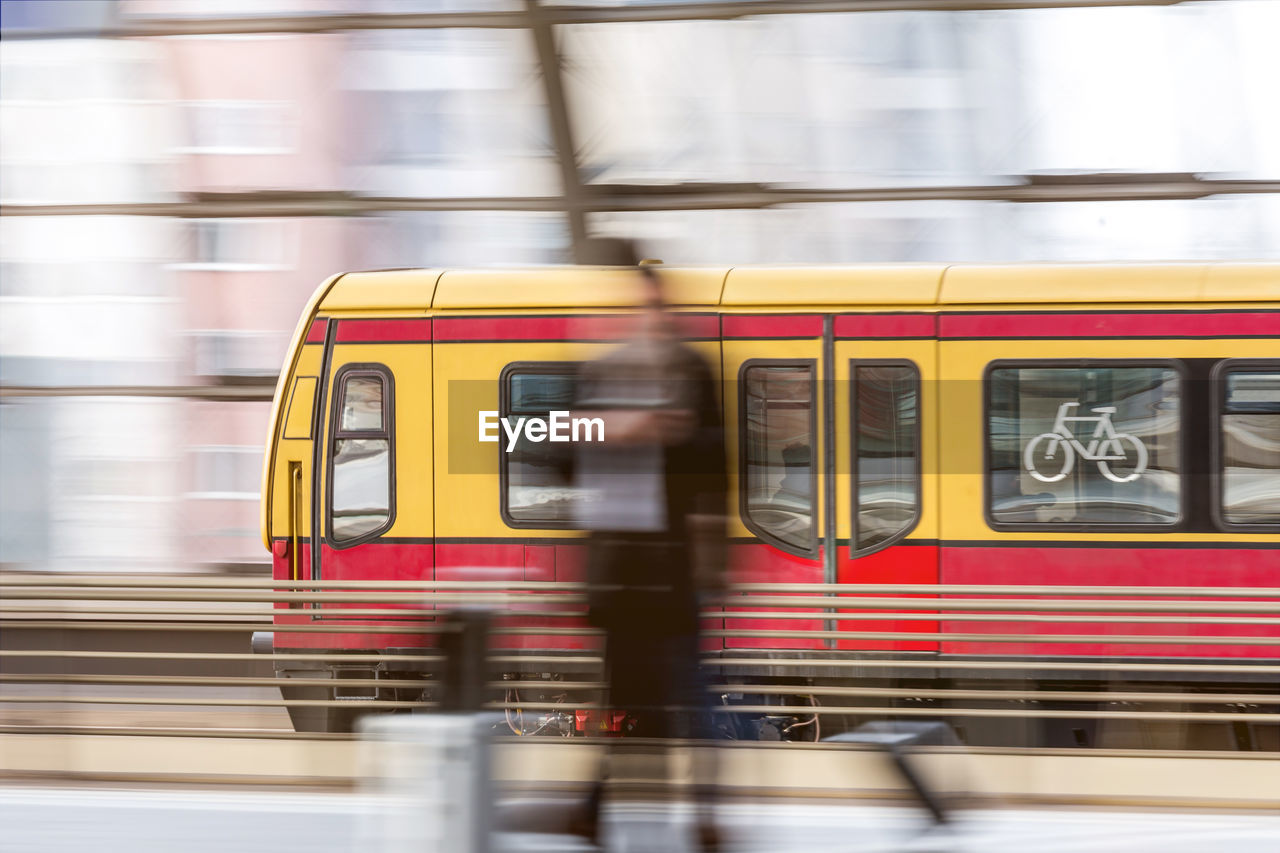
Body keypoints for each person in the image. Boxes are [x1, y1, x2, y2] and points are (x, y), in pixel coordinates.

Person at [570, 242, 726, 851]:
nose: (652, 319)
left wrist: (679, 434)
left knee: (688, 699)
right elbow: (522, 436)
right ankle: (600, 807)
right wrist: (613, 427)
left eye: (661, 309)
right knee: (626, 705)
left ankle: (694, 813)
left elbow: (718, 467)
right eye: (642, 308)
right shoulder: (599, 373)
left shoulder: (692, 374)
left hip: (674, 575)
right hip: (616, 576)